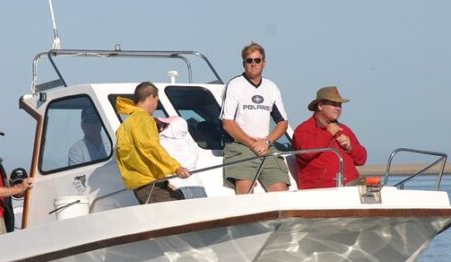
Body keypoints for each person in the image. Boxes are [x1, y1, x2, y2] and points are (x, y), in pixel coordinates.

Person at [220, 42, 290, 194]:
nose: (253, 64)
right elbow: (228, 123)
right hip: (241, 145)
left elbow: (282, 122)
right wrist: (253, 143)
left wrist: (267, 141)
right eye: (249, 60)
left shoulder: (271, 87)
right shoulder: (234, 85)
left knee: (281, 191)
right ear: (243, 63)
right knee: (245, 190)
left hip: (266, 145)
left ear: (264, 63)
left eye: (257, 60)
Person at [115, 82, 190, 204]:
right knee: (177, 213)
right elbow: (151, 148)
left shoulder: (124, 126)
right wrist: (176, 168)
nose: (156, 105)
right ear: (150, 97)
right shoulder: (144, 119)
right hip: (152, 185)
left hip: (140, 187)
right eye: (157, 100)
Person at [292, 86, 368, 189]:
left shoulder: (344, 129)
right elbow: (307, 153)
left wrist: (350, 148)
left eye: (340, 105)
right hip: (321, 192)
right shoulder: (303, 130)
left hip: (351, 188)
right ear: (320, 106)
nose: (338, 108)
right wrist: (328, 134)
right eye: (334, 104)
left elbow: (362, 159)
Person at [158, 116, 207, 199]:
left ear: (173, 127)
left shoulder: (162, 143)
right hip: (197, 185)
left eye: (166, 125)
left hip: (178, 187)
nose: (162, 128)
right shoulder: (191, 143)